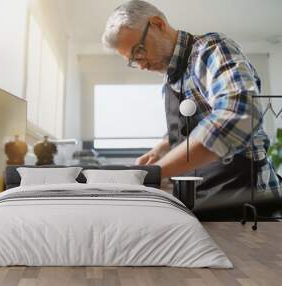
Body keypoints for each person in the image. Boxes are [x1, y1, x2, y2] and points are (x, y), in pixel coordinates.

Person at [102, 0, 281, 214]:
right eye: (132, 60)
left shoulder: (212, 49)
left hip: (247, 199)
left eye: (139, 51)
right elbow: (192, 125)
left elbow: (238, 115)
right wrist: (164, 146)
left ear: (158, 24)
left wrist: (156, 171)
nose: (140, 64)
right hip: (204, 200)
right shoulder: (169, 80)